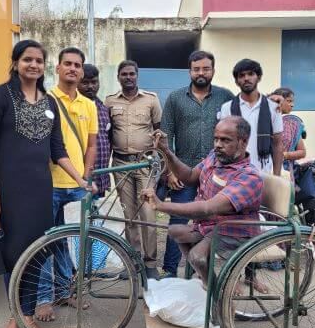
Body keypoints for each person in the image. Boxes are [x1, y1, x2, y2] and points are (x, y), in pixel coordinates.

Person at [0, 39, 88, 328]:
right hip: (7, 191)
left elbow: (57, 149)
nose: (34, 65)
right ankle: (18, 315)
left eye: (39, 60)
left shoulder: (49, 103)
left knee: (37, 253)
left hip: (40, 190)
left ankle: (23, 317)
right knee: (12, 254)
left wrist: (81, 180)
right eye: (27, 59)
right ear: (15, 62)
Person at [142, 117, 264, 289]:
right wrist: (167, 151)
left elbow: (207, 208)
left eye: (225, 140)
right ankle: (209, 278)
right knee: (174, 231)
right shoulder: (215, 157)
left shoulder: (249, 177)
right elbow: (191, 176)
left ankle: (217, 296)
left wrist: (160, 205)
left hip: (235, 231)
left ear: (243, 142)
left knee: (196, 256)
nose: (218, 144)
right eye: (216, 139)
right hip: (211, 226)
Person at [158, 50, 233, 278]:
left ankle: (203, 276)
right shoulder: (175, 98)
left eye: (206, 68)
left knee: (212, 225)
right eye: (196, 69)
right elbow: (166, 134)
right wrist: (169, 171)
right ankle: (170, 272)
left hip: (216, 174)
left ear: (213, 70)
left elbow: (238, 127)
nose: (201, 73)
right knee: (179, 221)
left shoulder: (225, 97)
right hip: (184, 173)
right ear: (190, 71)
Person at [35, 47, 98, 321]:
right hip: (47, 183)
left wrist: (86, 175)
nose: (73, 69)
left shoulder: (89, 105)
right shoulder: (44, 100)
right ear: (57, 69)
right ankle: (43, 299)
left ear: (82, 71)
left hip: (76, 184)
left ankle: (63, 291)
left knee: (64, 242)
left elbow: (93, 144)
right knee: (44, 242)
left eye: (77, 65)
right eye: (67, 64)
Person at [105, 60, 162, 280]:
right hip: (120, 164)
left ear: (137, 75)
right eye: (124, 74)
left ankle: (150, 264)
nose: (128, 77)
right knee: (129, 216)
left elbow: (158, 130)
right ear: (118, 77)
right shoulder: (110, 101)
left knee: (148, 214)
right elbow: (107, 134)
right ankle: (133, 261)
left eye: (132, 74)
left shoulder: (151, 100)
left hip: (145, 164)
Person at [219, 59, 283, 176]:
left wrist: (277, 176)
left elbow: (277, 144)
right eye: (241, 75)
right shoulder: (227, 108)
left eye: (251, 74)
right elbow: (223, 143)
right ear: (237, 81)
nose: (246, 78)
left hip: (264, 175)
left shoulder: (273, 108)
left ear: (258, 77)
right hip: (234, 174)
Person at [270, 87, 315, 226]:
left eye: (292, 101)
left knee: (283, 209)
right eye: (289, 101)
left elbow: (302, 152)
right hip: (266, 170)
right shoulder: (265, 121)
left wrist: (284, 155)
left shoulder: (295, 124)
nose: (292, 104)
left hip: (285, 172)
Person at [78, 63, 112, 196]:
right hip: (80, 178)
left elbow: (108, 140)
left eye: (94, 82)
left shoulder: (104, 109)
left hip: (100, 177)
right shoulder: (74, 108)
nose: (91, 86)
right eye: (85, 83)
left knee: (95, 215)